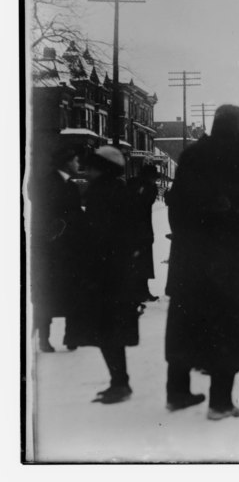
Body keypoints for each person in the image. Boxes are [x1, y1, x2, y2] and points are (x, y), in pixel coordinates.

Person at [164, 105, 239, 420]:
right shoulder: (233, 160)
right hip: (224, 263)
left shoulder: (191, 155)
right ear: (235, 131)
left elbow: (175, 206)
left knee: (184, 327)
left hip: (190, 261)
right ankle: (220, 403)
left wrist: (189, 243)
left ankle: (177, 393)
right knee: (226, 331)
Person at [72, 146, 141, 404]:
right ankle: (119, 381)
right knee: (111, 330)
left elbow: (100, 236)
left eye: (91, 166)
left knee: (107, 330)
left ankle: (120, 383)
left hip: (105, 275)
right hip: (117, 273)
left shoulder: (101, 193)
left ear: (102, 168)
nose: (86, 171)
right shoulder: (118, 190)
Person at [31, 145, 85, 352]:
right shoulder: (52, 184)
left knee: (64, 292)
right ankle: (49, 338)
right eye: (75, 160)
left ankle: (68, 336)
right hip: (54, 249)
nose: (78, 164)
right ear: (67, 162)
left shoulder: (64, 184)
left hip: (64, 249)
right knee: (53, 292)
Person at [127, 164, 160, 303]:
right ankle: (139, 292)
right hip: (139, 230)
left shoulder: (138, 185)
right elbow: (143, 203)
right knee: (140, 262)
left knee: (142, 262)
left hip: (141, 230)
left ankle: (142, 291)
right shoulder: (143, 187)